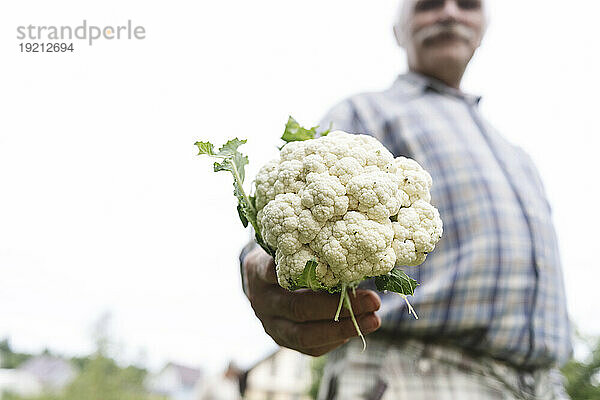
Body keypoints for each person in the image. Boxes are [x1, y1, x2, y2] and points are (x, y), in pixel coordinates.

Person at [240, 0, 572, 398]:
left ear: (483, 27)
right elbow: (293, 206)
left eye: (467, 4)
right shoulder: (366, 112)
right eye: (428, 5)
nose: (449, 12)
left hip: (544, 384)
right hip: (411, 370)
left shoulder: (514, 150)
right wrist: (260, 265)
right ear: (398, 30)